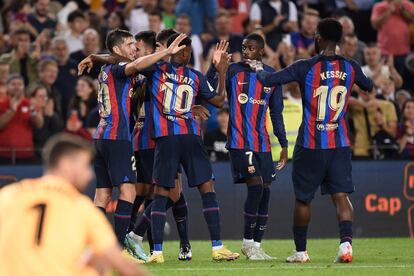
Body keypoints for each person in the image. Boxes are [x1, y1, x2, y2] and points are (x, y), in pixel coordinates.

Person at [247, 18, 373, 263]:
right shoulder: (351, 66)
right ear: (339, 40)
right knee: (341, 196)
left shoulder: (305, 66)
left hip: (310, 145)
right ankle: (346, 245)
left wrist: (257, 69)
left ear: (318, 38)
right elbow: (368, 85)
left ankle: (301, 252)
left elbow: (268, 81)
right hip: (340, 144)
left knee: (304, 199)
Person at [78, 29, 189, 252]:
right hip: (117, 137)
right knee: (128, 192)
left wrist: (95, 57)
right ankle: (119, 249)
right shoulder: (120, 69)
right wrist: (166, 52)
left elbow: (118, 59)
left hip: (101, 137)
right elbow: (134, 65)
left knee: (102, 195)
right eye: (129, 44)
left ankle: (94, 245)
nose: (134, 48)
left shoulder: (107, 69)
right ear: (118, 49)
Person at [134, 34, 239, 263]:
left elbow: (136, 67)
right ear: (182, 52)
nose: (189, 54)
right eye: (187, 51)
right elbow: (220, 101)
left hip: (166, 139)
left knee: (161, 194)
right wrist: (221, 70)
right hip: (191, 137)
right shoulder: (194, 75)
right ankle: (217, 247)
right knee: (207, 190)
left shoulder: (156, 70)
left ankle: (157, 253)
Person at [0, 133, 148, 276]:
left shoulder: (9, 194)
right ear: (66, 165)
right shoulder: (79, 206)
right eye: (84, 166)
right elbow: (124, 267)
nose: (89, 175)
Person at [215, 33, 288, 260]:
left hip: (263, 144)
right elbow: (216, 94)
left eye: (251, 48)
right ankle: (247, 243)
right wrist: (219, 69)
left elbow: (276, 113)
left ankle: (256, 245)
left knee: (266, 190)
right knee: (255, 186)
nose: (246, 51)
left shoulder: (271, 76)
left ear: (261, 51)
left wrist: (283, 145)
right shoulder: (234, 70)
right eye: (244, 47)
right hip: (239, 141)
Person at [0, 75, 42, 164]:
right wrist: (11, 111)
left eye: (20, 84)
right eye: (13, 84)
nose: (17, 87)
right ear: (7, 87)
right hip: (4, 156)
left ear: (23, 87)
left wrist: (33, 111)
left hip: (26, 155)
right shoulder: (1, 104)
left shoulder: (29, 104)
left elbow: (39, 124)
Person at [349, 88, 398, 158]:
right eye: (364, 93)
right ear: (359, 93)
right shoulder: (355, 106)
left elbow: (393, 133)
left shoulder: (387, 105)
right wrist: (365, 105)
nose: (368, 95)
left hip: (381, 147)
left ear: (375, 92)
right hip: (361, 149)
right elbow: (344, 99)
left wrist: (382, 124)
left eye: (370, 92)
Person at [371, 0, 414, 74]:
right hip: (384, 51)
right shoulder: (379, 6)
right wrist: (388, 11)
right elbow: (375, 25)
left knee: (404, 80)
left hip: (404, 51)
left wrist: (402, 9)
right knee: (385, 77)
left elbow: (412, 19)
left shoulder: (406, 4)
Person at [30, 85, 63, 158]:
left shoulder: (52, 114)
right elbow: (38, 136)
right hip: (34, 154)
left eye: (45, 96)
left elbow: (59, 134)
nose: (44, 99)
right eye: (41, 96)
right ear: (32, 99)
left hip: (52, 154)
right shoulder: (30, 114)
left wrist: (51, 116)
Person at [50, 37, 78, 120]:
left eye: (64, 49)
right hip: (54, 105)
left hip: (72, 105)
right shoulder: (49, 65)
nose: (61, 52)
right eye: (58, 49)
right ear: (52, 50)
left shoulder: (75, 65)